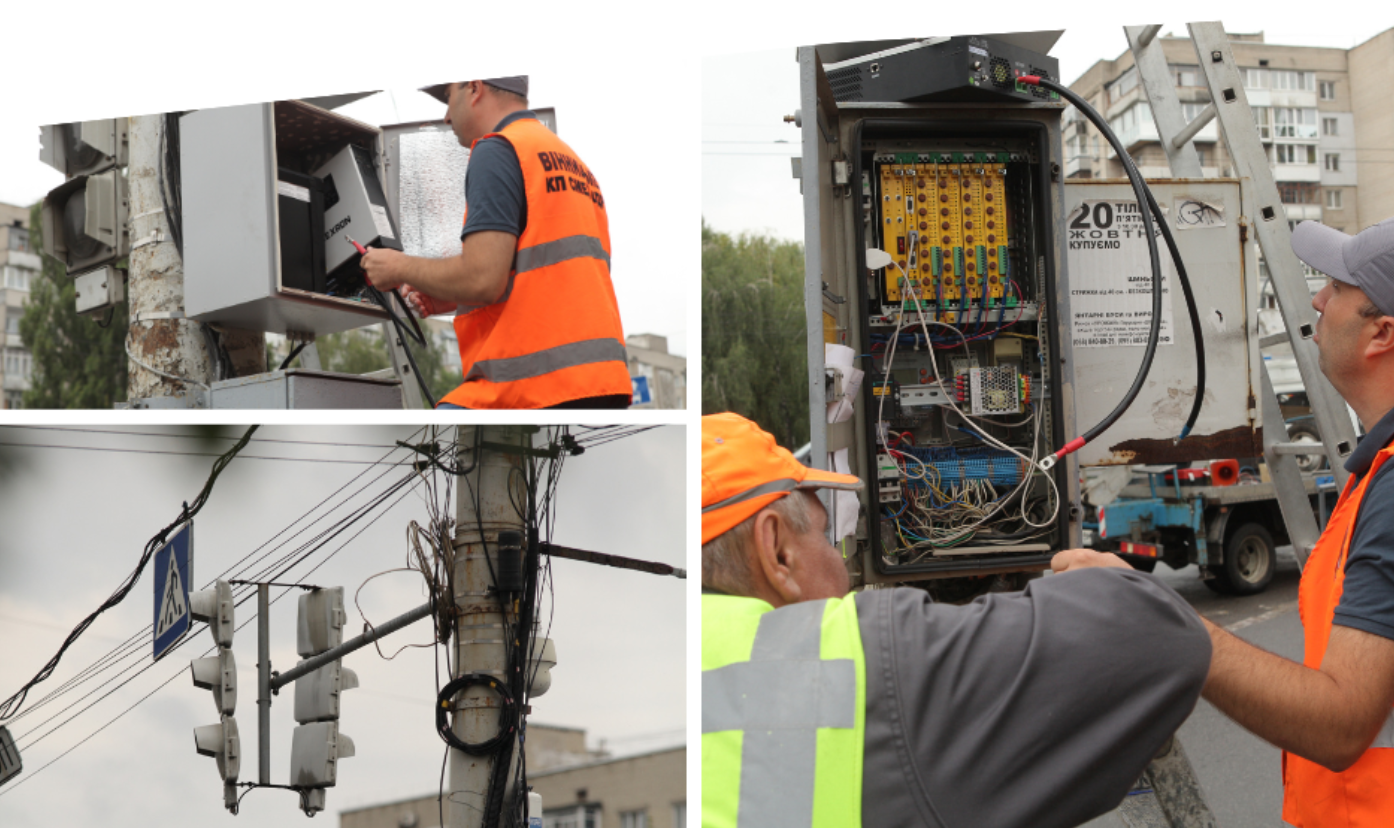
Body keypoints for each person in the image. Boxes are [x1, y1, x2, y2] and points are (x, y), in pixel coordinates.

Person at [701, 412, 1212, 828]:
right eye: (823, 533)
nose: (842, 561)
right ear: (776, 552)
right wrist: (1106, 584)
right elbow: (1158, 639)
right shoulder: (850, 662)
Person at [1062, 218, 1394, 827]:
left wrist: (1151, 614)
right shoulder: (1376, 474)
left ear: (1381, 332)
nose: (1317, 300)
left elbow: (1342, 723)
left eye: (1335, 286)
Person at [360, 77, 631, 410]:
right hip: (600, 378)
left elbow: (482, 279)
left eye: (448, 97)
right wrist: (452, 294)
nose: (446, 116)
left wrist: (398, 266)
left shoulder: (497, 149)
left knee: (432, 440)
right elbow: (543, 276)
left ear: (474, 88)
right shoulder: (571, 161)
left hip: (537, 379)